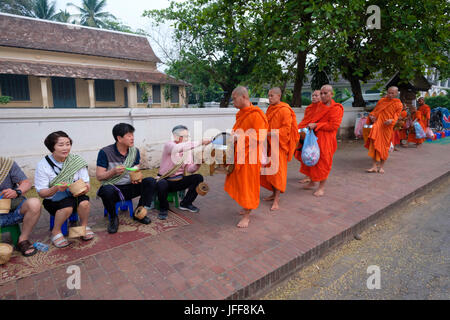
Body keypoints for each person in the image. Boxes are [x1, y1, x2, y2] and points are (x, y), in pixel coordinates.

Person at [35, 131, 94, 248]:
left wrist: (85, 188)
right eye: (61, 145)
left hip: (74, 195)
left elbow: (87, 183)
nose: (65, 148)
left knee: (85, 203)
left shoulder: (76, 160)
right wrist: (56, 188)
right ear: (52, 147)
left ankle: (83, 227)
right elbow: (42, 193)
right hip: (53, 199)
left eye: (68, 144)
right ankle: (56, 232)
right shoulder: (43, 165)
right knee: (67, 206)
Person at [96, 123, 155, 234]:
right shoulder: (105, 152)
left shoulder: (134, 151)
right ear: (119, 138)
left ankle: (139, 213)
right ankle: (113, 218)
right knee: (106, 190)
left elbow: (136, 167)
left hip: (130, 186)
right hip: (114, 189)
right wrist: (113, 171)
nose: (132, 137)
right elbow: (99, 176)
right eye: (128, 135)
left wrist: (136, 175)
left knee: (150, 181)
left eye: (132, 134)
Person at [224, 86, 268, 228]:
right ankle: (245, 206)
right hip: (239, 154)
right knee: (240, 182)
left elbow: (260, 136)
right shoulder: (241, 114)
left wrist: (240, 137)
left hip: (251, 156)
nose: (233, 101)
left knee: (248, 184)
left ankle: (248, 216)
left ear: (243, 97)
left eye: (234, 98)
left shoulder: (256, 114)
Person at [297, 85, 344, 197]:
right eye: (321, 93)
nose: (322, 96)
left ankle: (321, 187)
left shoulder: (336, 108)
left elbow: (333, 125)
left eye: (325, 93)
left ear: (332, 94)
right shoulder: (318, 107)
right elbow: (310, 119)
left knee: (324, 162)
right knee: (311, 159)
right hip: (313, 138)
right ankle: (312, 182)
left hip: (326, 139)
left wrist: (317, 125)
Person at [156, 125, 211, 220]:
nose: (186, 138)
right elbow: (178, 148)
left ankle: (186, 203)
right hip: (165, 180)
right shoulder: (169, 145)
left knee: (198, 177)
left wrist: (198, 164)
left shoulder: (187, 151)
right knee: (161, 184)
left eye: (187, 136)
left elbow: (189, 169)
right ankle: (163, 208)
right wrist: (200, 142)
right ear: (175, 136)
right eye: (184, 136)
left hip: (179, 180)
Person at [260, 87, 299, 211]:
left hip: (280, 145)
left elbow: (286, 130)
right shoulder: (270, 108)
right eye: (269, 95)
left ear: (279, 96)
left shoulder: (285, 110)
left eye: (272, 95)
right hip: (269, 144)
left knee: (277, 173)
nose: (270, 98)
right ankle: (273, 194)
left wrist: (270, 134)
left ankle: (277, 199)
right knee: (269, 170)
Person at [0, 158, 41, 256]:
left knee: (34, 203)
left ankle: (23, 240)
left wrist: (16, 192)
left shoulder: (6, 164)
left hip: (13, 210)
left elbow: (25, 183)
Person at [365, 86, 403, 174]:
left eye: (392, 93)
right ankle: (374, 166)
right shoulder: (382, 101)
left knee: (384, 147)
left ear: (396, 94)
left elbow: (396, 116)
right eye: (389, 92)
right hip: (378, 125)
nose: (390, 94)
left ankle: (381, 167)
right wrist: (372, 116)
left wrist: (391, 120)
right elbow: (375, 111)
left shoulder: (398, 104)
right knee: (374, 145)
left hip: (387, 128)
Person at [298, 90, 321, 184]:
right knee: (304, 154)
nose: (314, 97)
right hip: (306, 134)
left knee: (312, 155)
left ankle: (313, 176)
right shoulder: (309, 108)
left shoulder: (322, 108)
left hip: (315, 136)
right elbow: (305, 120)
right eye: (313, 95)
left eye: (316, 95)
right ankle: (308, 175)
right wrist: (299, 129)